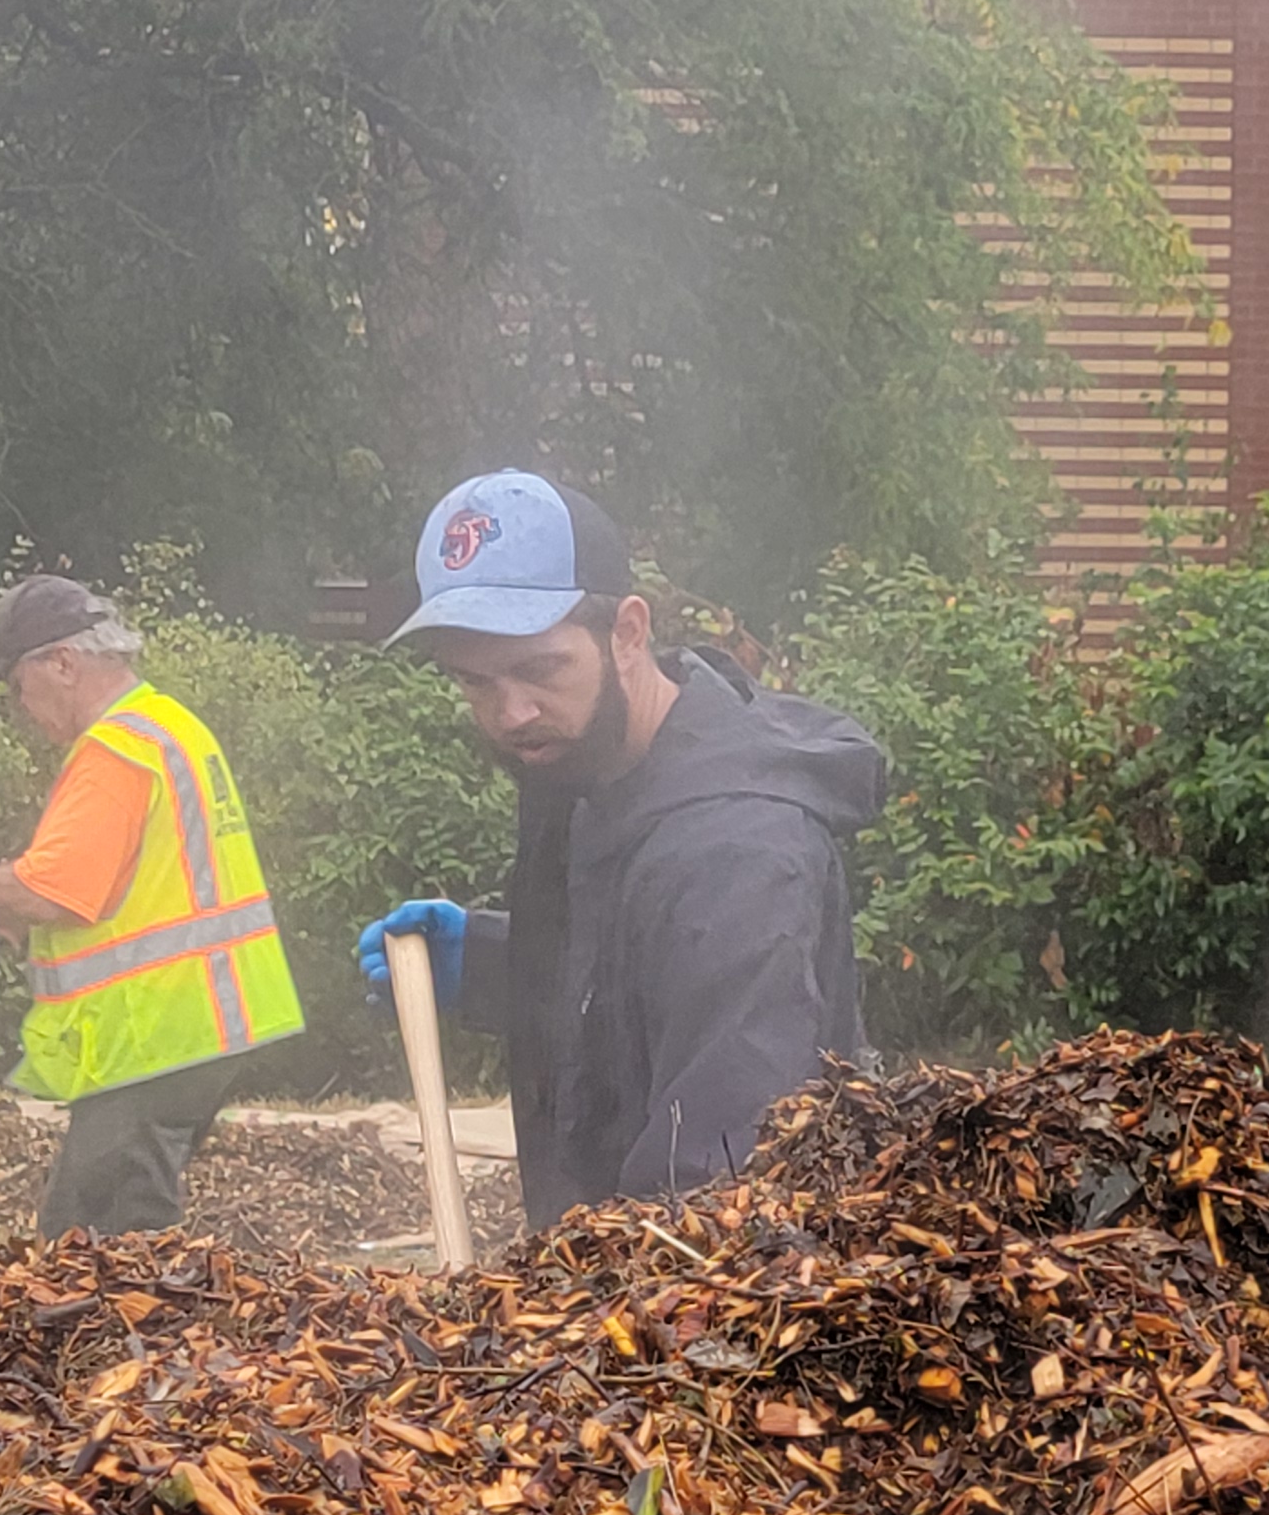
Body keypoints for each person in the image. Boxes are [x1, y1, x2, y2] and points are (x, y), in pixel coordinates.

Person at [357, 470, 884, 1229]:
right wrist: (499, 964)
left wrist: (579, 1326)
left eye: (540, 669)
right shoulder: (585, 765)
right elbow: (637, 979)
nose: (512, 712)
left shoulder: (735, 854)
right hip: (615, 1296)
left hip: (710, 1316)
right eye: (475, 682)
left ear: (628, 632)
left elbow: (717, 1194)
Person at [0, 577, 305, 1236]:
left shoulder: (114, 751)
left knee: (98, 1239)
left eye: (14, 686)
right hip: (199, 1028)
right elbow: (138, 891)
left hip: (153, 1037)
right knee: (107, 1228)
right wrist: (16, 927)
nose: (19, 708)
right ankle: (165, 1335)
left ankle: (153, 1343)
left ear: (61, 663)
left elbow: (53, 889)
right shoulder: (170, 728)